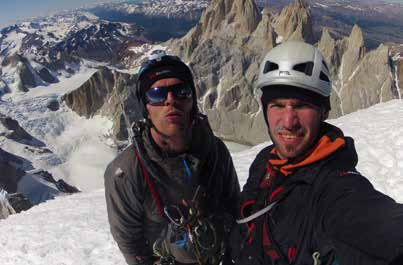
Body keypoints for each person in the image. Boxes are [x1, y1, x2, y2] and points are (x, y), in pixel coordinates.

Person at [228, 41, 403, 265]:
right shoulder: (266, 162)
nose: (289, 122)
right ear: (265, 109)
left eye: (301, 105)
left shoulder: (336, 189)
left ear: (324, 111)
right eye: (278, 105)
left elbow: (380, 224)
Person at [104, 50, 240, 265]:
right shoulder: (126, 172)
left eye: (181, 91)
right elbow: (130, 243)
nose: (170, 101)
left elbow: (234, 208)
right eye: (157, 94)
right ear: (145, 108)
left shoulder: (215, 151)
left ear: (192, 101)